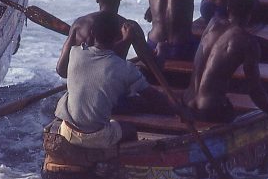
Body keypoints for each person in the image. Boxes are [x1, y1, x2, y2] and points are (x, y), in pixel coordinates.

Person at [51, 11, 181, 149]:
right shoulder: (125, 68)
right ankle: (116, 160)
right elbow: (153, 96)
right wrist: (179, 110)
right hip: (96, 137)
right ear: (115, 37)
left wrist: (124, 40)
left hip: (65, 130)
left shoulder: (75, 53)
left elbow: (100, 54)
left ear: (92, 34)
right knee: (130, 130)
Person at [184, 0, 268, 127]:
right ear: (250, 13)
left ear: (228, 7)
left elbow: (232, 37)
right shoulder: (248, 43)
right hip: (211, 110)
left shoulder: (213, 23)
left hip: (186, 104)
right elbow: (254, 90)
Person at [56, 0, 147, 78]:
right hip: (112, 89)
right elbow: (151, 63)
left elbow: (61, 70)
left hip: (78, 90)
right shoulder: (130, 27)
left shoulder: (78, 24)